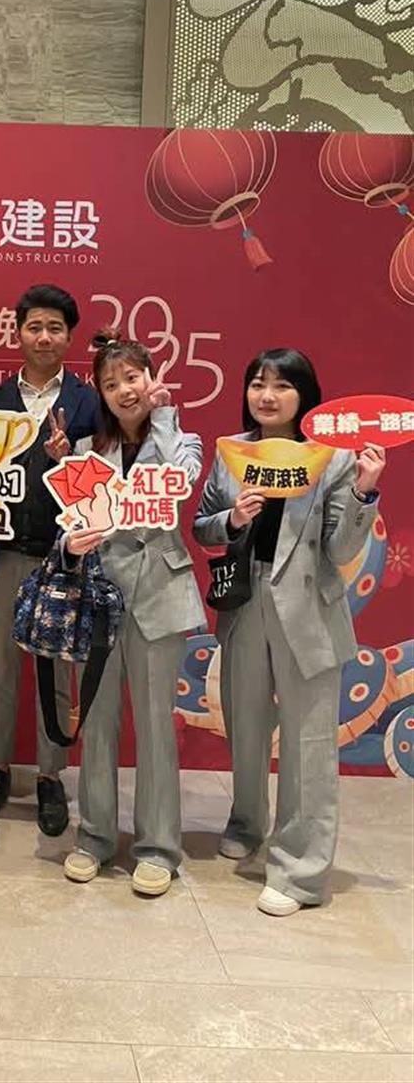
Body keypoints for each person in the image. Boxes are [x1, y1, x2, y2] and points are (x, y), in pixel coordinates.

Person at [194, 348, 385, 916]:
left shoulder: (334, 458)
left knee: (309, 745)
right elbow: (203, 525)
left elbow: (341, 549)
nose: (267, 395)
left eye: (282, 385)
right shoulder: (232, 452)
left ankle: (301, 873)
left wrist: (364, 492)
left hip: (309, 613)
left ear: (305, 396)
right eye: (258, 384)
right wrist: (232, 519)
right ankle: (246, 822)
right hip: (245, 605)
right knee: (246, 724)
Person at [62, 331, 204, 897]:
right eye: (110, 382)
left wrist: (164, 418)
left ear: (151, 378)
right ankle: (94, 836)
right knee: (97, 723)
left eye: (132, 377)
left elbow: (180, 484)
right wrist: (71, 543)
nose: (124, 390)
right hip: (99, 596)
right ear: (99, 392)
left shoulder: (183, 439)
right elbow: (72, 522)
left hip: (158, 597)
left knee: (155, 726)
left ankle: (158, 847)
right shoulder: (84, 451)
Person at [0, 285, 98, 835]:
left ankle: (50, 776)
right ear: (18, 332)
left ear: (69, 337)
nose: (44, 337)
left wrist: (70, 460)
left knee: (56, 674)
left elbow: (99, 484)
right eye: (34, 327)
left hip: (61, 558)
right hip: (1, 555)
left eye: (55, 328)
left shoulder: (89, 402)